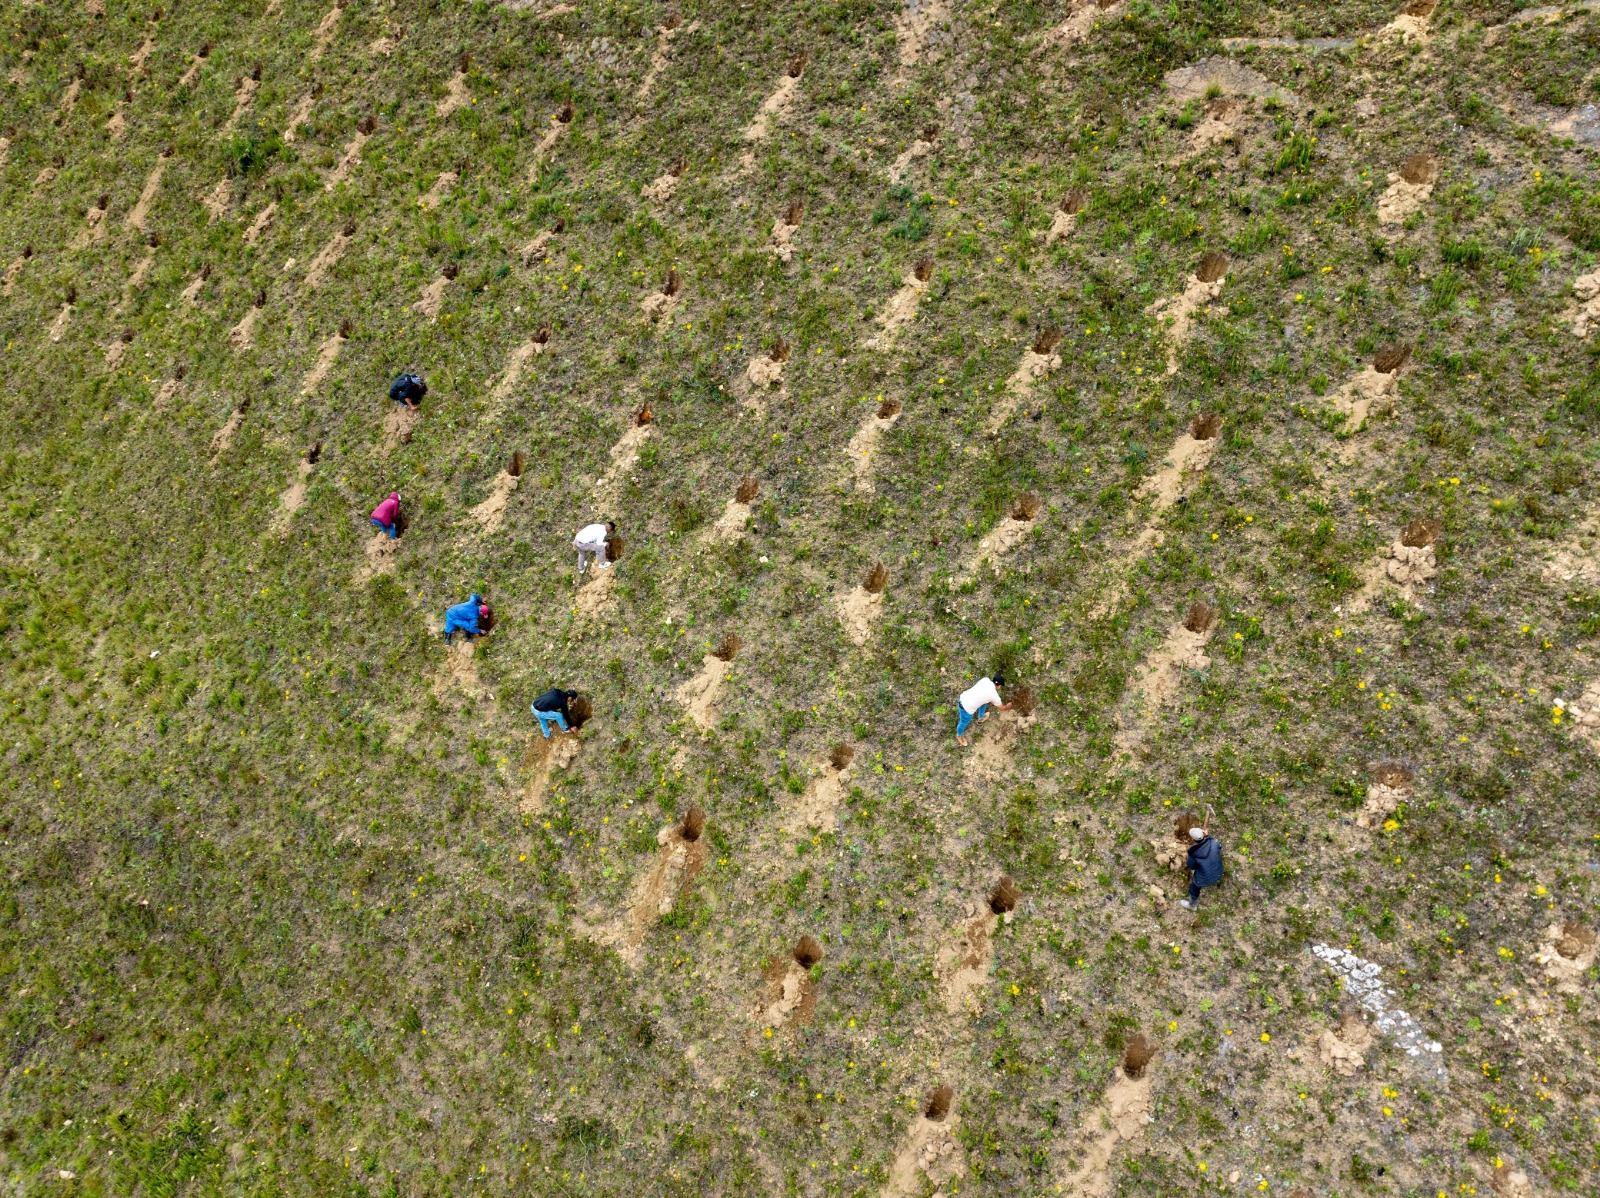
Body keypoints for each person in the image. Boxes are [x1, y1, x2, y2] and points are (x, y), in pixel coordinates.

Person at [955, 672, 1010, 746]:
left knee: (984, 701)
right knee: (963, 723)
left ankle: (980, 718)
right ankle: (959, 736)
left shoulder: (985, 680)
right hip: (966, 709)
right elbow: (1002, 708)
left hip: (963, 697)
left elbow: (984, 696)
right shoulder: (994, 695)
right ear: (999, 686)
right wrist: (1008, 706)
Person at [1180, 826, 1224, 910]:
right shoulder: (1215, 842)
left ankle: (1192, 905)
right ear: (1204, 834)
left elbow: (1191, 866)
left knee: (1194, 888)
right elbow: (1219, 846)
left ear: (1193, 839)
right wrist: (1208, 837)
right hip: (1219, 871)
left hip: (1204, 879)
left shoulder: (1194, 854)